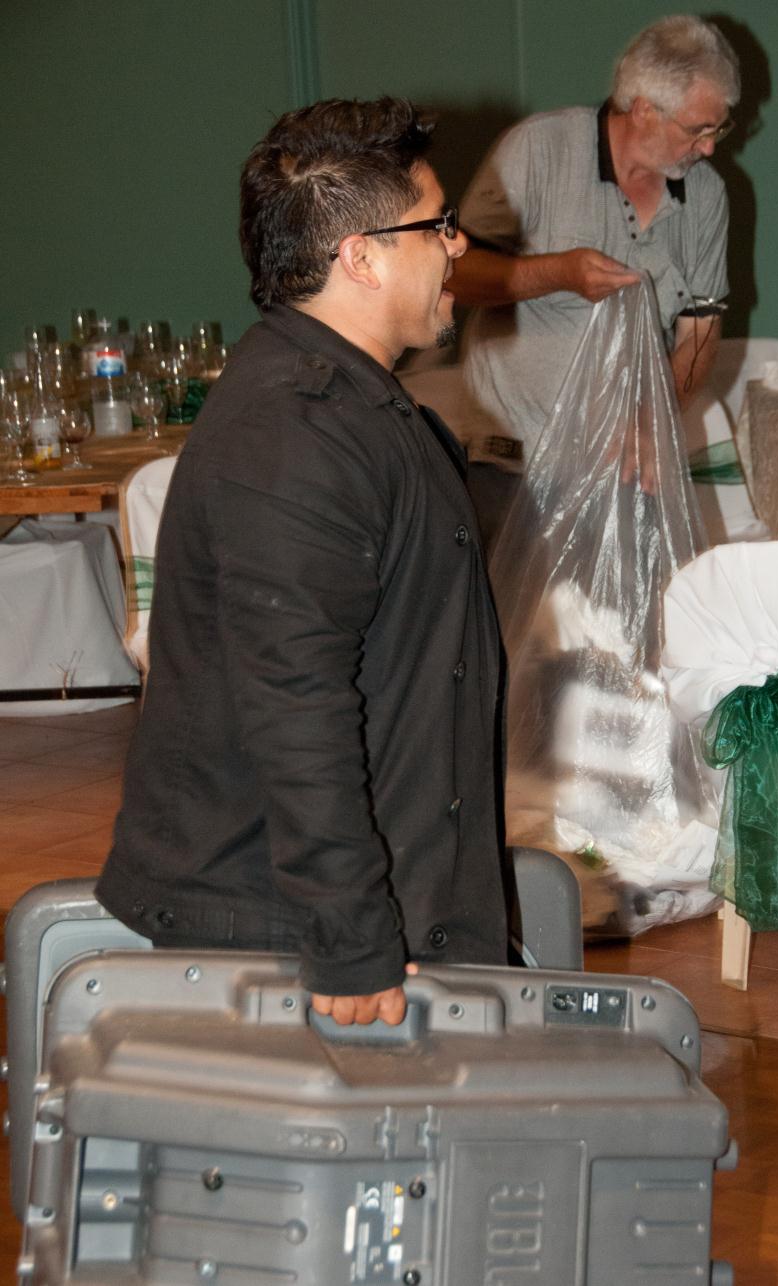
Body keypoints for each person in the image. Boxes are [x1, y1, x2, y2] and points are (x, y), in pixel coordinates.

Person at [95, 97, 510, 1026]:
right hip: (276, 935)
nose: (457, 245)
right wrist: (351, 940)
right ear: (361, 256)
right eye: (437, 224)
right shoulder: (294, 431)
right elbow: (295, 701)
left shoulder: (353, 404)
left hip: (358, 908)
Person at [451, 15, 741, 537]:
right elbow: (455, 274)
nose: (709, 148)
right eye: (698, 129)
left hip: (623, 467)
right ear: (644, 110)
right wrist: (558, 273)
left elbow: (700, 333)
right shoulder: (538, 150)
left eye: (719, 128)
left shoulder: (706, 196)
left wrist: (651, 424)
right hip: (512, 465)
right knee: (501, 594)